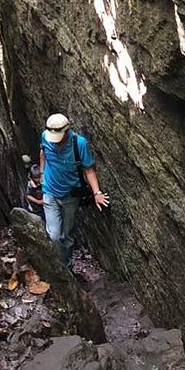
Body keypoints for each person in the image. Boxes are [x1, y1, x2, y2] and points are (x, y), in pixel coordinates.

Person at [39, 113, 109, 270]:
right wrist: (42, 174)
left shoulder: (79, 144)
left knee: (67, 235)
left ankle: (67, 264)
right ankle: (61, 267)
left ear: (67, 131)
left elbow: (89, 170)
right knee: (54, 235)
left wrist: (97, 194)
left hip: (70, 196)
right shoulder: (45, 136)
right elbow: (43, 152)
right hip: (50, 192)